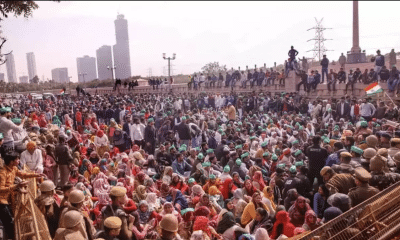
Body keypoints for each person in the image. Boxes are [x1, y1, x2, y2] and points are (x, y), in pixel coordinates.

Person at [0, 152, 41, 240]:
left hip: (7, 198)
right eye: (17, 159)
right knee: (9, 222)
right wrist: (17, 186)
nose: (19, 161)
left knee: (8, 219)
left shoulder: (13, 168)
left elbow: (23, 174)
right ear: (11, 162)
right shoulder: (3, 173)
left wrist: (36, 175)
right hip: (1, 201)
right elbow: (1, 188)